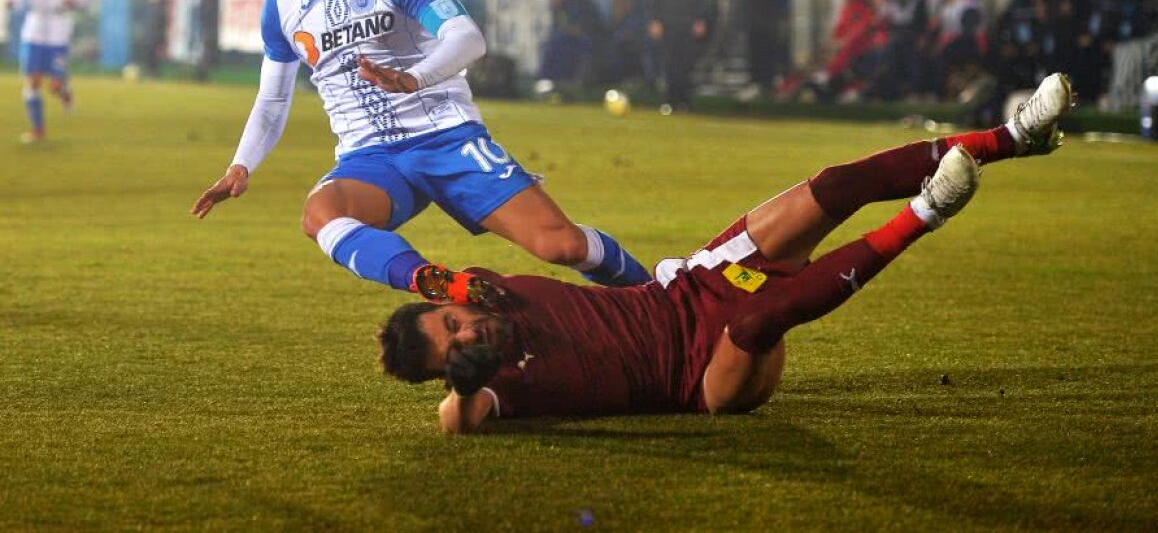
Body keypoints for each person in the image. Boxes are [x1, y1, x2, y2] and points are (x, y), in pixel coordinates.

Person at [377, 75, 1076, 432]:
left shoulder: (487, 291)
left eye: (449, 324)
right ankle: (927, 213)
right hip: (703, 378)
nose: (466, 334)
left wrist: (453, 290)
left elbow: (458, 281)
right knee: (759, 321)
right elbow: (454, 422)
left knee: (833, 186)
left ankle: (1015, 136)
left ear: (444, 306)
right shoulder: (495, 387)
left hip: (691, 287)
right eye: (455, 348)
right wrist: (465, 381)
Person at [191, 0, 650, 296]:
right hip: (371, 159)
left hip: (444, 138)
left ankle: (659, 298)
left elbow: (467, 38)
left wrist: (414, 78)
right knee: (320, 215)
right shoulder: (284, 3)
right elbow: (272, 100)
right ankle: (433, 282)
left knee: (561, 246)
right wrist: (241, 165)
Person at [13, 0, 84, 143]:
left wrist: (75, 1)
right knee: (32, 81)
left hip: (58, 29)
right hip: (34, 29)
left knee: (53, 84)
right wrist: (12, 2)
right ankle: (38, 129)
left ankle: (63, 90)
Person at [647, 0, 709, 112]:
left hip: (687, 24)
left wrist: (699, 19)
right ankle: (670, 100)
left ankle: (685, 100)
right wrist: (655, 20)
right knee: (670, 63)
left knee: (686, 63)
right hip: (668, 24)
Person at [738, 0, 791, 99]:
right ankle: (757, 82)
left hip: (767, 18)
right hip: (759, 18)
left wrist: (781, 13)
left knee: (767, 51)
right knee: (756, 51)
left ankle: (766, 83)